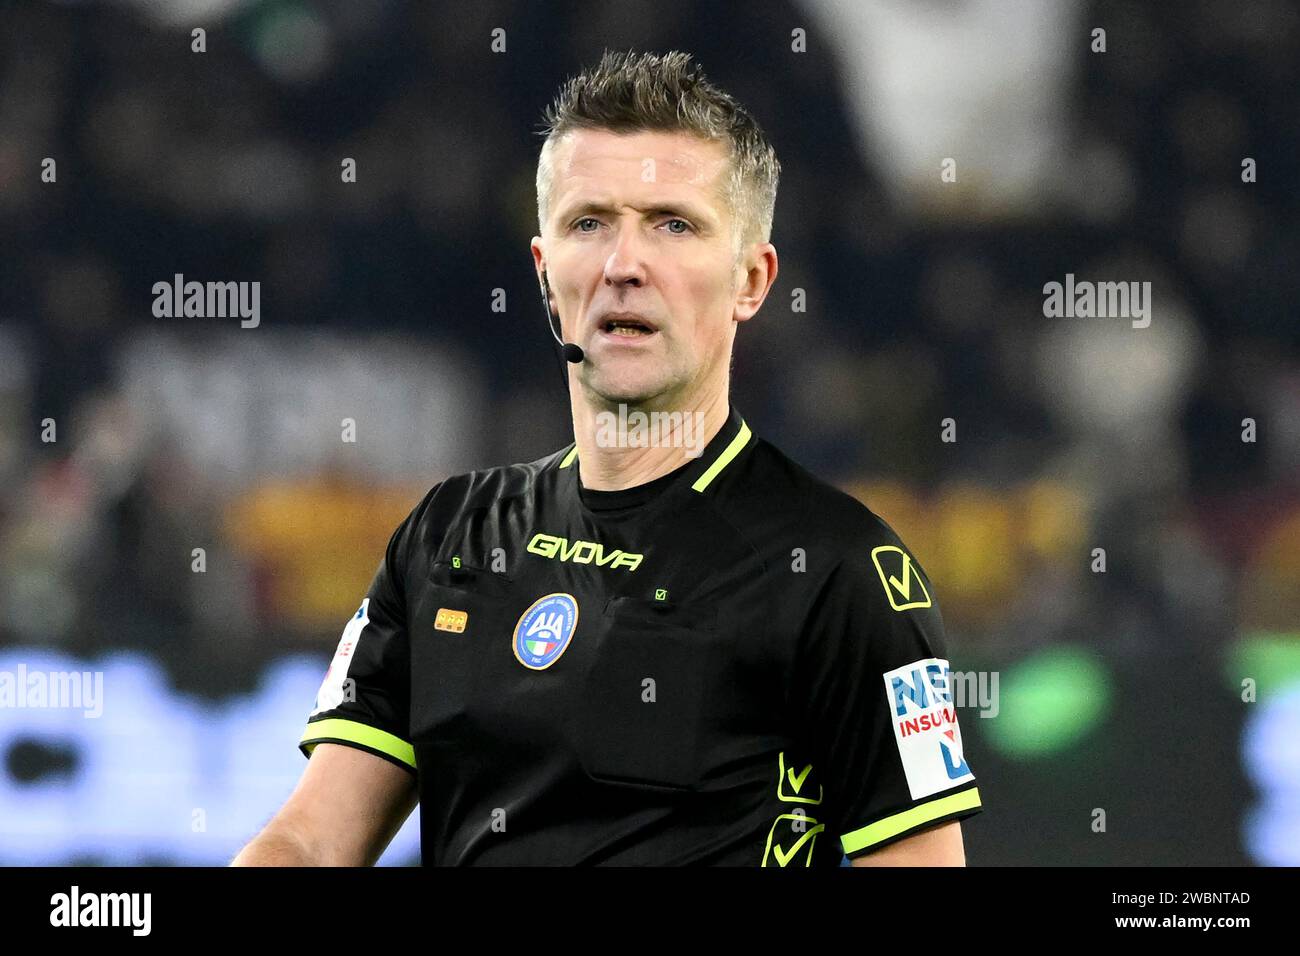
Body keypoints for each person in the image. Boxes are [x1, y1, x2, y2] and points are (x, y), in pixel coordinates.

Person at [233, 49, 981, 867]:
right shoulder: (448, 537)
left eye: (673, 224)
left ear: (752, 280)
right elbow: (308, 843)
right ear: (546, 274)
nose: (625, 265)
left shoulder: (844, 574)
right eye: (590, 222)